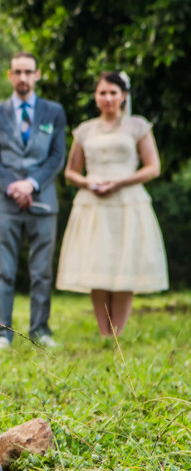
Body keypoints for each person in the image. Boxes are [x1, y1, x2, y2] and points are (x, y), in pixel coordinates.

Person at [55, 72, 166, 337]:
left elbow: (153, 167)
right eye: (102, 93)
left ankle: (118, 332)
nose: (108, 98)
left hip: (128, 203)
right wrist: (89, 183)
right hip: (93, 205)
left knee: (123, 266)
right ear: (95, 96)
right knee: (99, 265)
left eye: (113, 93)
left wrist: (119, 182)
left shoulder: (138, 126)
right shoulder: (84, 130)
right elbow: (71, 172)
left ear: (124, 96)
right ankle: (104, 333)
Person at [0, 52, 69, 349]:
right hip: (5, 203)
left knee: (42, 271)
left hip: (43, 202)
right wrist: (13, 187)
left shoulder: (54, 112)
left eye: (28, 72)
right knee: (4, 271)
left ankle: (40, 330)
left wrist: (31, 184)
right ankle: (2, 334)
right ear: (10, 75)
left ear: (37, 75)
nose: (22, 78)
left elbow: (57, 157)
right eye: (17, 72)